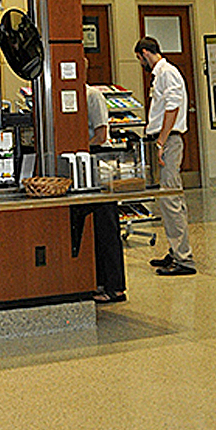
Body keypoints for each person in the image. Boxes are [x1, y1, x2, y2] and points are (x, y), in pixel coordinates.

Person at [134, 36, 195, 275]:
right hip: (165, 139)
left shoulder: (167, 72)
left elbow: (173, 107)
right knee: (170, 199)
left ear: (145, 53)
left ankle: (184, 259)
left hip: (169, 140)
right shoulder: (161, 74)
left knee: (170, 198)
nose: (142, 64)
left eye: (140, 59)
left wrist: (160, 142)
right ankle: (175, 249)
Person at [84, 58, 126, 303]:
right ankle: (100, 281)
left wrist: (80, 147)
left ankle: (115, 286)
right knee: (95, 226)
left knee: (107, 225)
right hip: (86, 164)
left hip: (100, 164)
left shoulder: (93, 96)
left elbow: (101, 135)